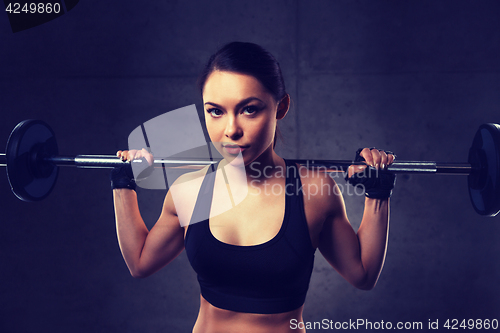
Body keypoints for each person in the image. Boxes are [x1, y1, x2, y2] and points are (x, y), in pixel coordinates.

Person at [111, 42, 396, 333]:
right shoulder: (189, 190)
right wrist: (123, 183)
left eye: (249, 109)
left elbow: (362, 274)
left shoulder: (315, 191)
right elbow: (140, 263)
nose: (231, 130)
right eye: (215, 111)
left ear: (280, 107)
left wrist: (377, 193)